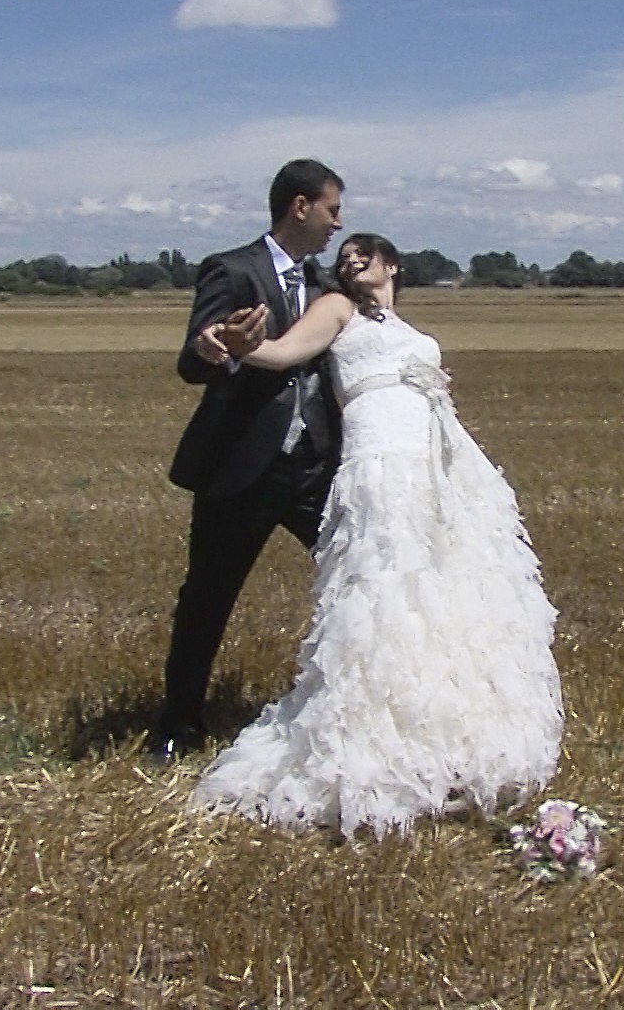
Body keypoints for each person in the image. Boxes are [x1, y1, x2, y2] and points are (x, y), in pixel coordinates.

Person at [188, 233, 563, 838]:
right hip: (379, 459)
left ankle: (450, 733)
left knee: (444, 592)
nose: (350, 260)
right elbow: (282, 354)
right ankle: (374, 736)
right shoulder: (337, 309)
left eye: (364, 253)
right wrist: (238, 348)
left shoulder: (411, 328)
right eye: (344, 257)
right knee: (384, 589)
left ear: (392, 265)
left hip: (435, 460)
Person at [152, 158, 345, 764]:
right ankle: (176, 726)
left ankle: (352, 707)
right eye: (333, 209)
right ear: (300, 206)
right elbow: (191, 358)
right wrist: (211, 346)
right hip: (241, 468)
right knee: (208, 597)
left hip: (313, 468)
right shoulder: (233, 270)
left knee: (360, 577)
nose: (339, 223)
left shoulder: (324, 288)